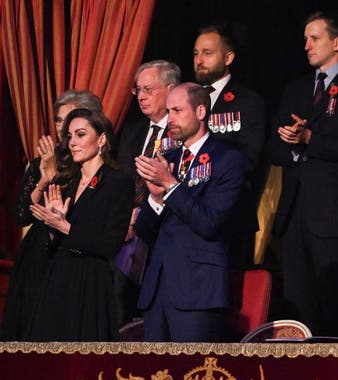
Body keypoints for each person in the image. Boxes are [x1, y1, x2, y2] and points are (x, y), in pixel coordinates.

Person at [268, 11, 338, 342]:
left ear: (337, 42)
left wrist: (311, 140)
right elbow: (273, 148)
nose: (307, 45)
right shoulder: (296, 89)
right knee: (299, 311)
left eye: (314, 38)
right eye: (305, 39)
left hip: (333, 217)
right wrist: (291, 143)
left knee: (334, 309)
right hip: (294, 215)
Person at [134, 82, 245, 342]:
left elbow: (209, 223)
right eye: (167, 111)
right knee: (153, 377)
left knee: (193, 377)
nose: (169, 119)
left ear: (200, 112)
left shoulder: (227, 159)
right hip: (157, 289)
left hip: (197, 289)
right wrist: (155, 197)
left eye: (176, 111)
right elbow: (144, 231)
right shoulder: (168, 159)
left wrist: (171, 186)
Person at [1, 90, 103, 341]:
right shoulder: (43, 162)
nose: (62, 127)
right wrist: (45, 179)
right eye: (58, 120)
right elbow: (22, 215)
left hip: (69, 254)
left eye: (69, 120)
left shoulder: (94, 164)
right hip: (37, 255)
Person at [28, 108, 134, 341]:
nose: (72, 142)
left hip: (90, 283)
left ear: (102, 139)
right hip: (59, 277)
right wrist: (53, 226)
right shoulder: (71, 182)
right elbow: (56, 241)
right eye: (70, 136)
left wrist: (65, 227)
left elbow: (110, 245)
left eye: (81, 134)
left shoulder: (118, 182)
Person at [194, 24, 267, 269]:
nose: (199, 60)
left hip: (229, 213)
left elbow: (249, 159)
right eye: (195, 53)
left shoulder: (247, 101)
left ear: (228, 58)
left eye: (207, 52)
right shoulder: (187, 98)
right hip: (188, 213)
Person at [115, 60, 181, 329]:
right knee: (117, 304)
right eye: (138, 90)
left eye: (148, 89)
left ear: (171, 89)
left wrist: (142, 214)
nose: (141, 96)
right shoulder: (133, 130)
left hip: (162, 231)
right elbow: (120, 181)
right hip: (125, 234)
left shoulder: (182, 131)